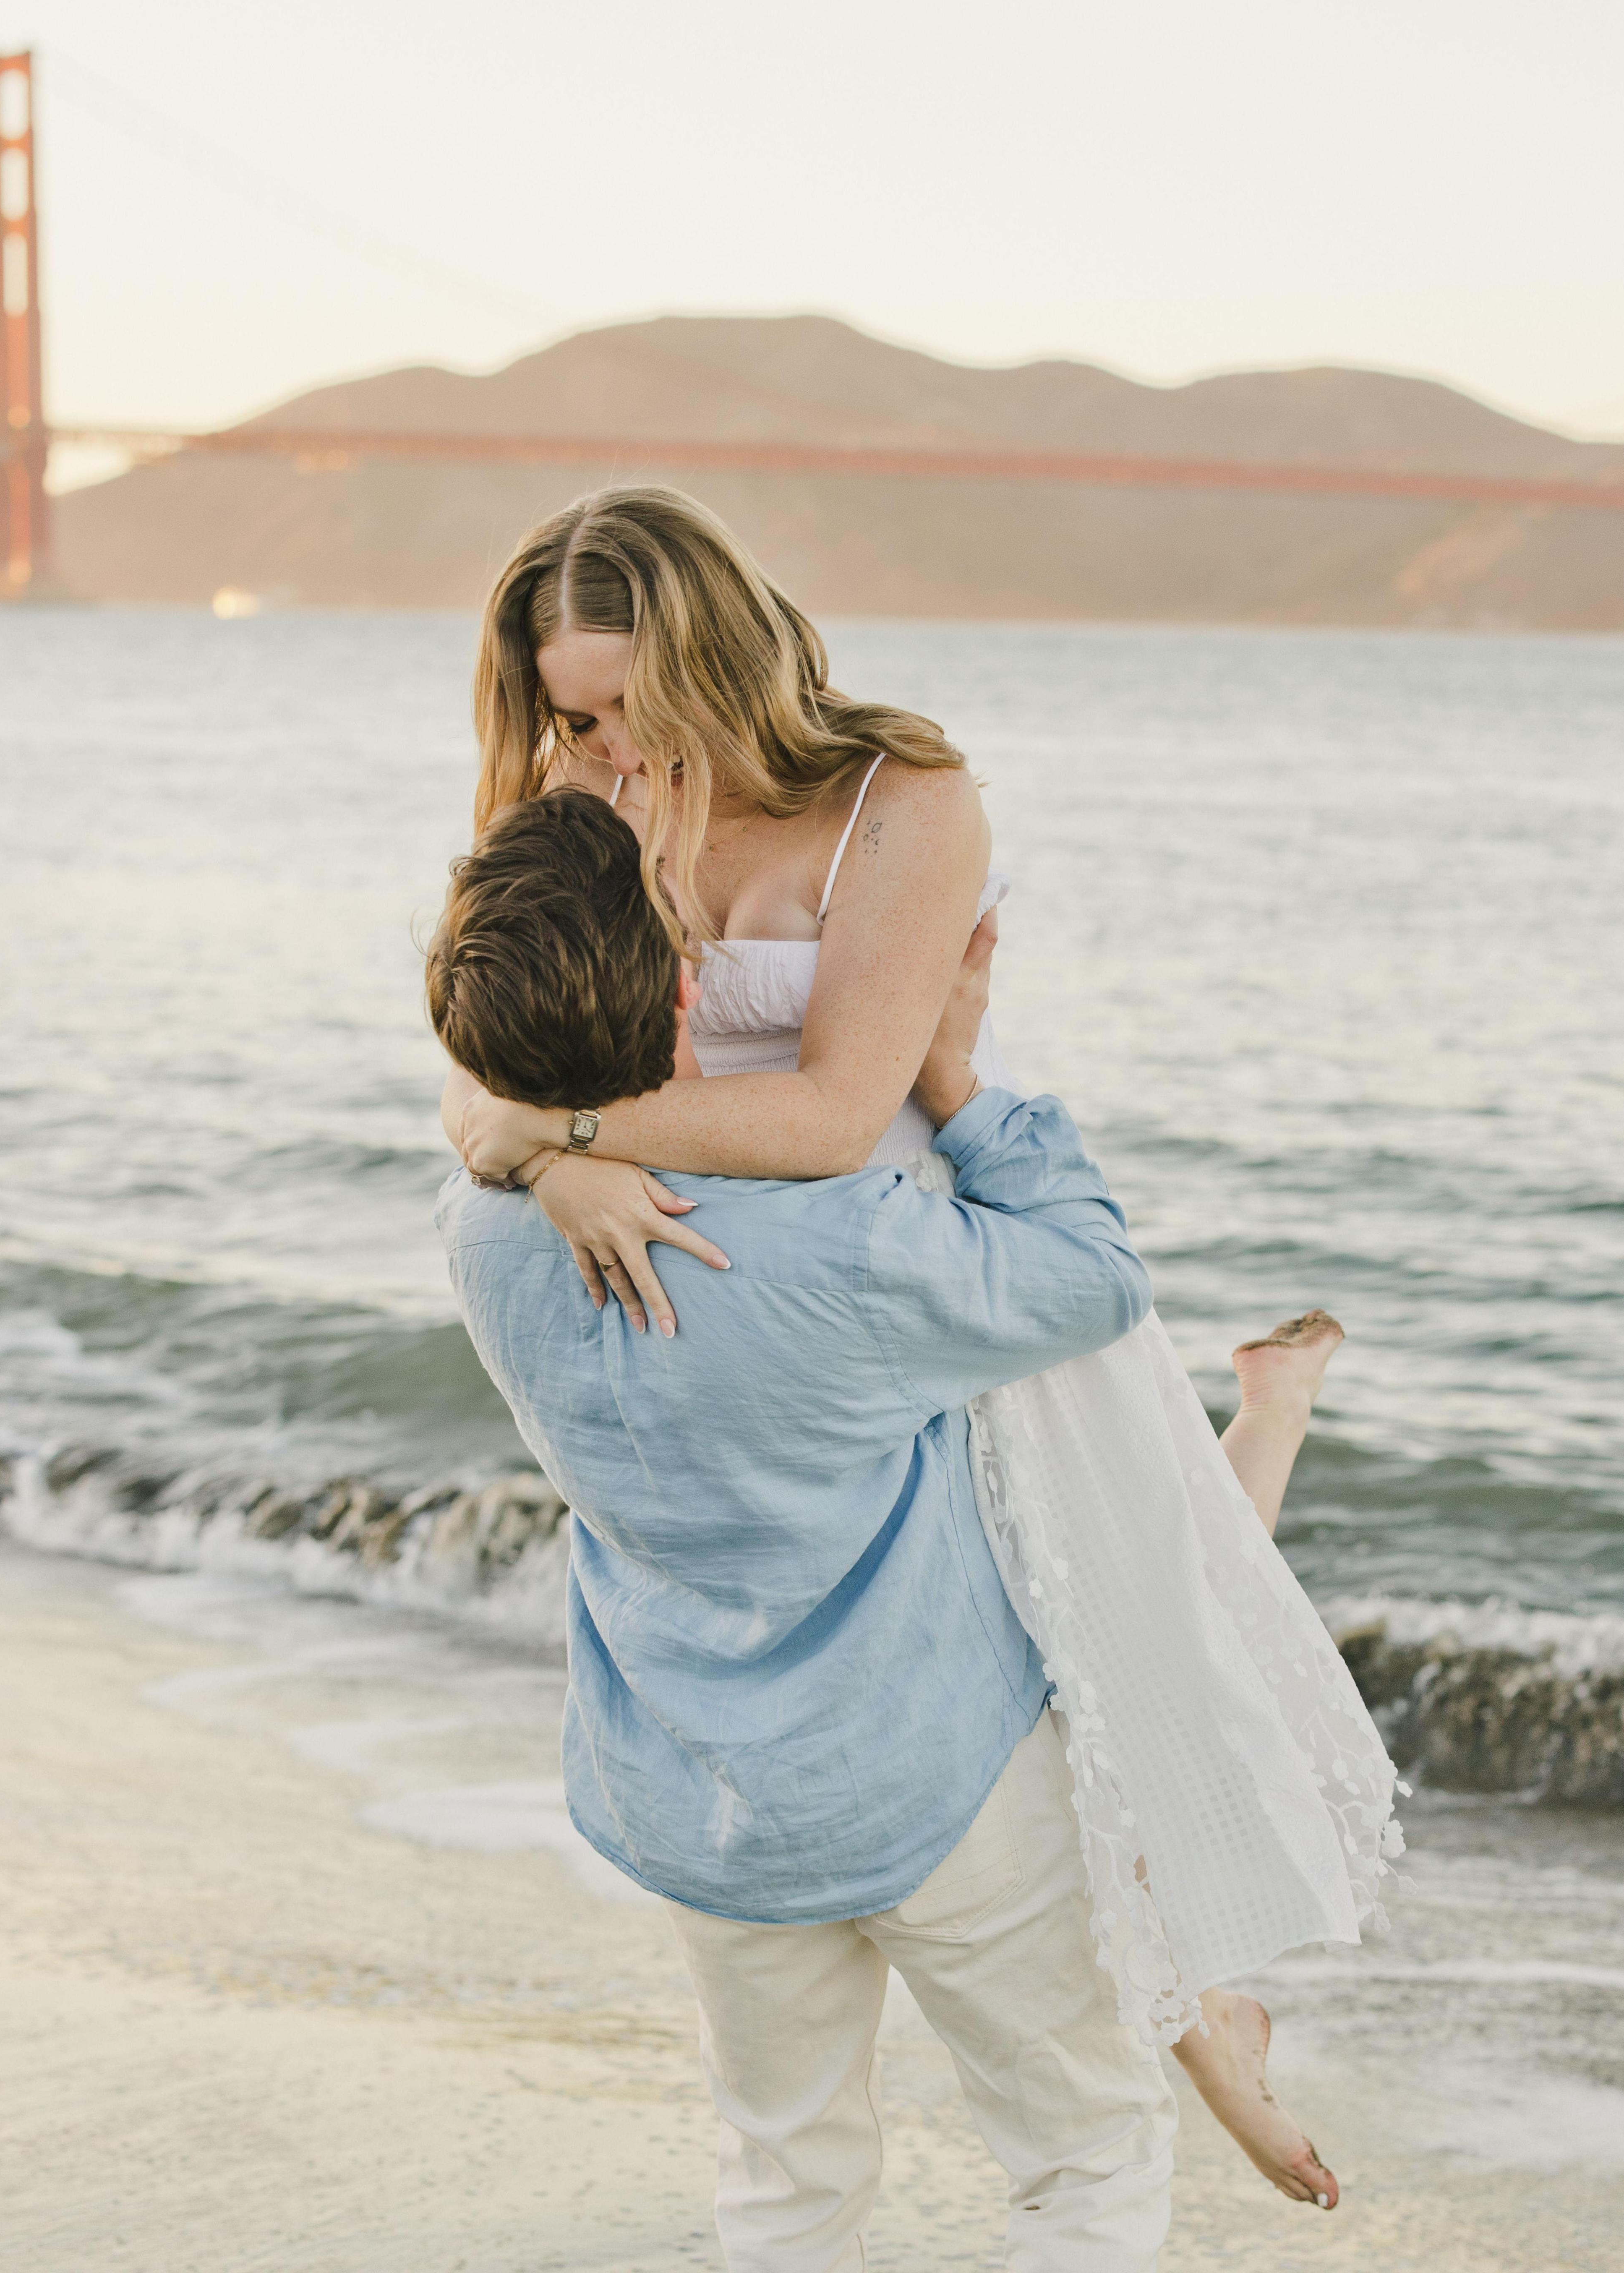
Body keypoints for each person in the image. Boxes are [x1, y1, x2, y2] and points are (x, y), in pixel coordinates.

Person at [444, 487, 1402, 2208]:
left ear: (715, 653)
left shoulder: (898, 805)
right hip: (787, 1295)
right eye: (566, 711)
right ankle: (1203, 2030)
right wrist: (546, 1153)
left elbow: (825, 1111)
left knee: (1132, 1599)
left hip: (886, 1264)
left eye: (620, 703)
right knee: (1042, 1697)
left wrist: (568, 1134)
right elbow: (477, 1055)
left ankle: (1211, 2028)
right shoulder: (573, 795)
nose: (596, 748)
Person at [431, 787, 1176, 2265]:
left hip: (696, 1779)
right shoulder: (842, 1239)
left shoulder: (482, 1230)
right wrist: (956, 1079)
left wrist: (540, 1141)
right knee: (1084, 2150)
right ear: (695, 983)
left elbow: (479, 1137)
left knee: (784, 2175)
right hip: (929, 1775)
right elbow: (1093, 1276)